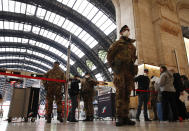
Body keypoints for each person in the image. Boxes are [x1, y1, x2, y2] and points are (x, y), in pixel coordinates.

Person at [107, 25, 138, 126]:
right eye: (125, 30)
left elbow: (133, 58)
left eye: (128, 30)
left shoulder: (133, 47)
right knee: (120, 94)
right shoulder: (117, 44)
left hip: (129, 73)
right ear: (121, 33)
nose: (127, 31)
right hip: (120, 72)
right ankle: (120, 117)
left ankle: (126, 116)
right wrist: (115, 68)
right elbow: (109, 57)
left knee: (127, 95)